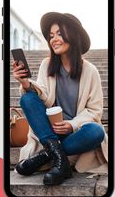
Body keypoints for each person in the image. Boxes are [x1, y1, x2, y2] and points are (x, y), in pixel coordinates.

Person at [12, 12, 108, 186]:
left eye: (59, 34)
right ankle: (57, 156)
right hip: (48, 131)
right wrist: (26, 83)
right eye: (51, 36)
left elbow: (95, 111)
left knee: (97, 131)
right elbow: (43, 96)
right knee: (27, 98)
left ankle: (46, 156)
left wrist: (71, 125)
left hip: (75, 134)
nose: (54, 39)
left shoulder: (90, 71)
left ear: (73, 35)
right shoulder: (46, 65)